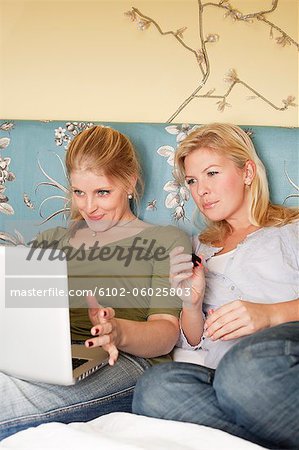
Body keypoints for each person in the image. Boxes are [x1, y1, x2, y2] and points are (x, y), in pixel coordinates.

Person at [0, 125, 191, 441]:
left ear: (129, 182)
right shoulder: (52, 241)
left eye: (102, 192)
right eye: (79, 192)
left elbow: (167, 334)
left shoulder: (166, 241)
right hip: (47, 358)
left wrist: (119, 331)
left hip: (127, 361)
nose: (88, 207)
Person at [132, 123, 299, 449]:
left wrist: (269, 315)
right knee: (155, 388)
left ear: (247, 172)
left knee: (244, 370)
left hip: (281, 356)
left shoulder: (290, 229)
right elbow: (194, 341)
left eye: (212, 173)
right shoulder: (198, 247)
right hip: (224, 375)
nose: (200, 191)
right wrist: (191, 304)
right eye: (192, 181)